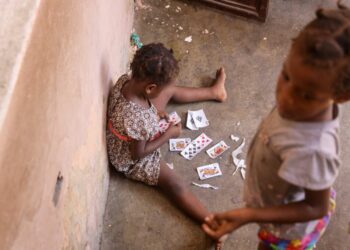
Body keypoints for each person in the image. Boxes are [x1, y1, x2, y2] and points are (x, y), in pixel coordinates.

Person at [202, 3, 350, 250]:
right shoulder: (300, 98)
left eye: (306, 95)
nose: (285, 97)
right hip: (280, 197)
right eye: (286, 76)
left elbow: (316, 206)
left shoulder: (315, 151)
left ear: (342, 96)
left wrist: (247, 215)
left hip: (288, 231)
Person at [106, 43, 226, 230]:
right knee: (174, 184)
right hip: (130, 160)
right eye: (160, 89)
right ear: (151, 89)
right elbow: (138, 154)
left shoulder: (126, 81)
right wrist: (169, 134)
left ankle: (214, 92)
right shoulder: (141, 120)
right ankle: (212, 223)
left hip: (133, 122)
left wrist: (153, 111)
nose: (163, 91)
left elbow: (141, 112)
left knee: (170, 90)